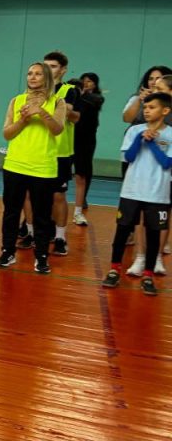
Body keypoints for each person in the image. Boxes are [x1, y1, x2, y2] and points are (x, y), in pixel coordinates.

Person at [0, 62, 67, 274]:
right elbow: (7, 133)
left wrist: (41, 112)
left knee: (42, 215)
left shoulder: (57, 102)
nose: (32, 77)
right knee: (11, 212)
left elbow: (57, 129)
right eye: (29, 73)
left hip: (43, 167)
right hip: (15, 164)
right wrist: (23, 120)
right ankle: (7, 252)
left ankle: (41, 256)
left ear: (47, 78)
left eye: (37, 74)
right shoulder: (16, 101)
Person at [101, 92, 172, 296]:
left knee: (153, 234)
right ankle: (114, 269)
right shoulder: (134, 130)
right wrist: (140, 140)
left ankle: (148, 275)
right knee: (122, 231)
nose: (147, 111)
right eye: (145, 107)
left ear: (165, 110)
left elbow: (166, 163)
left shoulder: (170, 134)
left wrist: (152, 144)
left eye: (152, 107)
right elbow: (129, 157)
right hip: (131, 191)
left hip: (157, 194)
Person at [44, 51, 79, 256]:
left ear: (63, 70)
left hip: (61, 152)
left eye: (53, 66)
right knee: (36, 195)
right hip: (39, 150)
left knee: (58, 195)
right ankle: (36, 230)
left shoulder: (69, 90)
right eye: (46, 65)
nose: (48, 70)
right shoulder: (35, 89)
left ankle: (60, 237)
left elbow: (68, 113)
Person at [73, 72, 103, 225]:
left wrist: (79, 94)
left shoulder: (96, 98)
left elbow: (93, 101)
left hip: (86, 140)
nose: (86, 83)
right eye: (83, 81)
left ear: (95, 84)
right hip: (70, 138)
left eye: (89, 81)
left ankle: (79, 208)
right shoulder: (75, 97)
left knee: (82, 173)